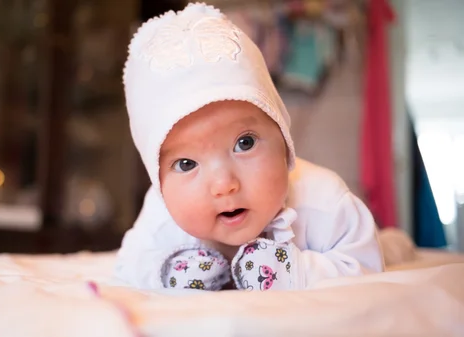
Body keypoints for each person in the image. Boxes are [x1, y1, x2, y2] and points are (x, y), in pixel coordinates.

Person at [116, 2, 384, 291]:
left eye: (244, 143)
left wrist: (297, 271)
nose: (224, 184)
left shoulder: (323, 200)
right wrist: (169, 271)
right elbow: (129, 265)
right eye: (186, 164)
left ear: (283, 139)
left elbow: (365, 263)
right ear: (158, 181)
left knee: (391, 245)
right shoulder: (161, 213)